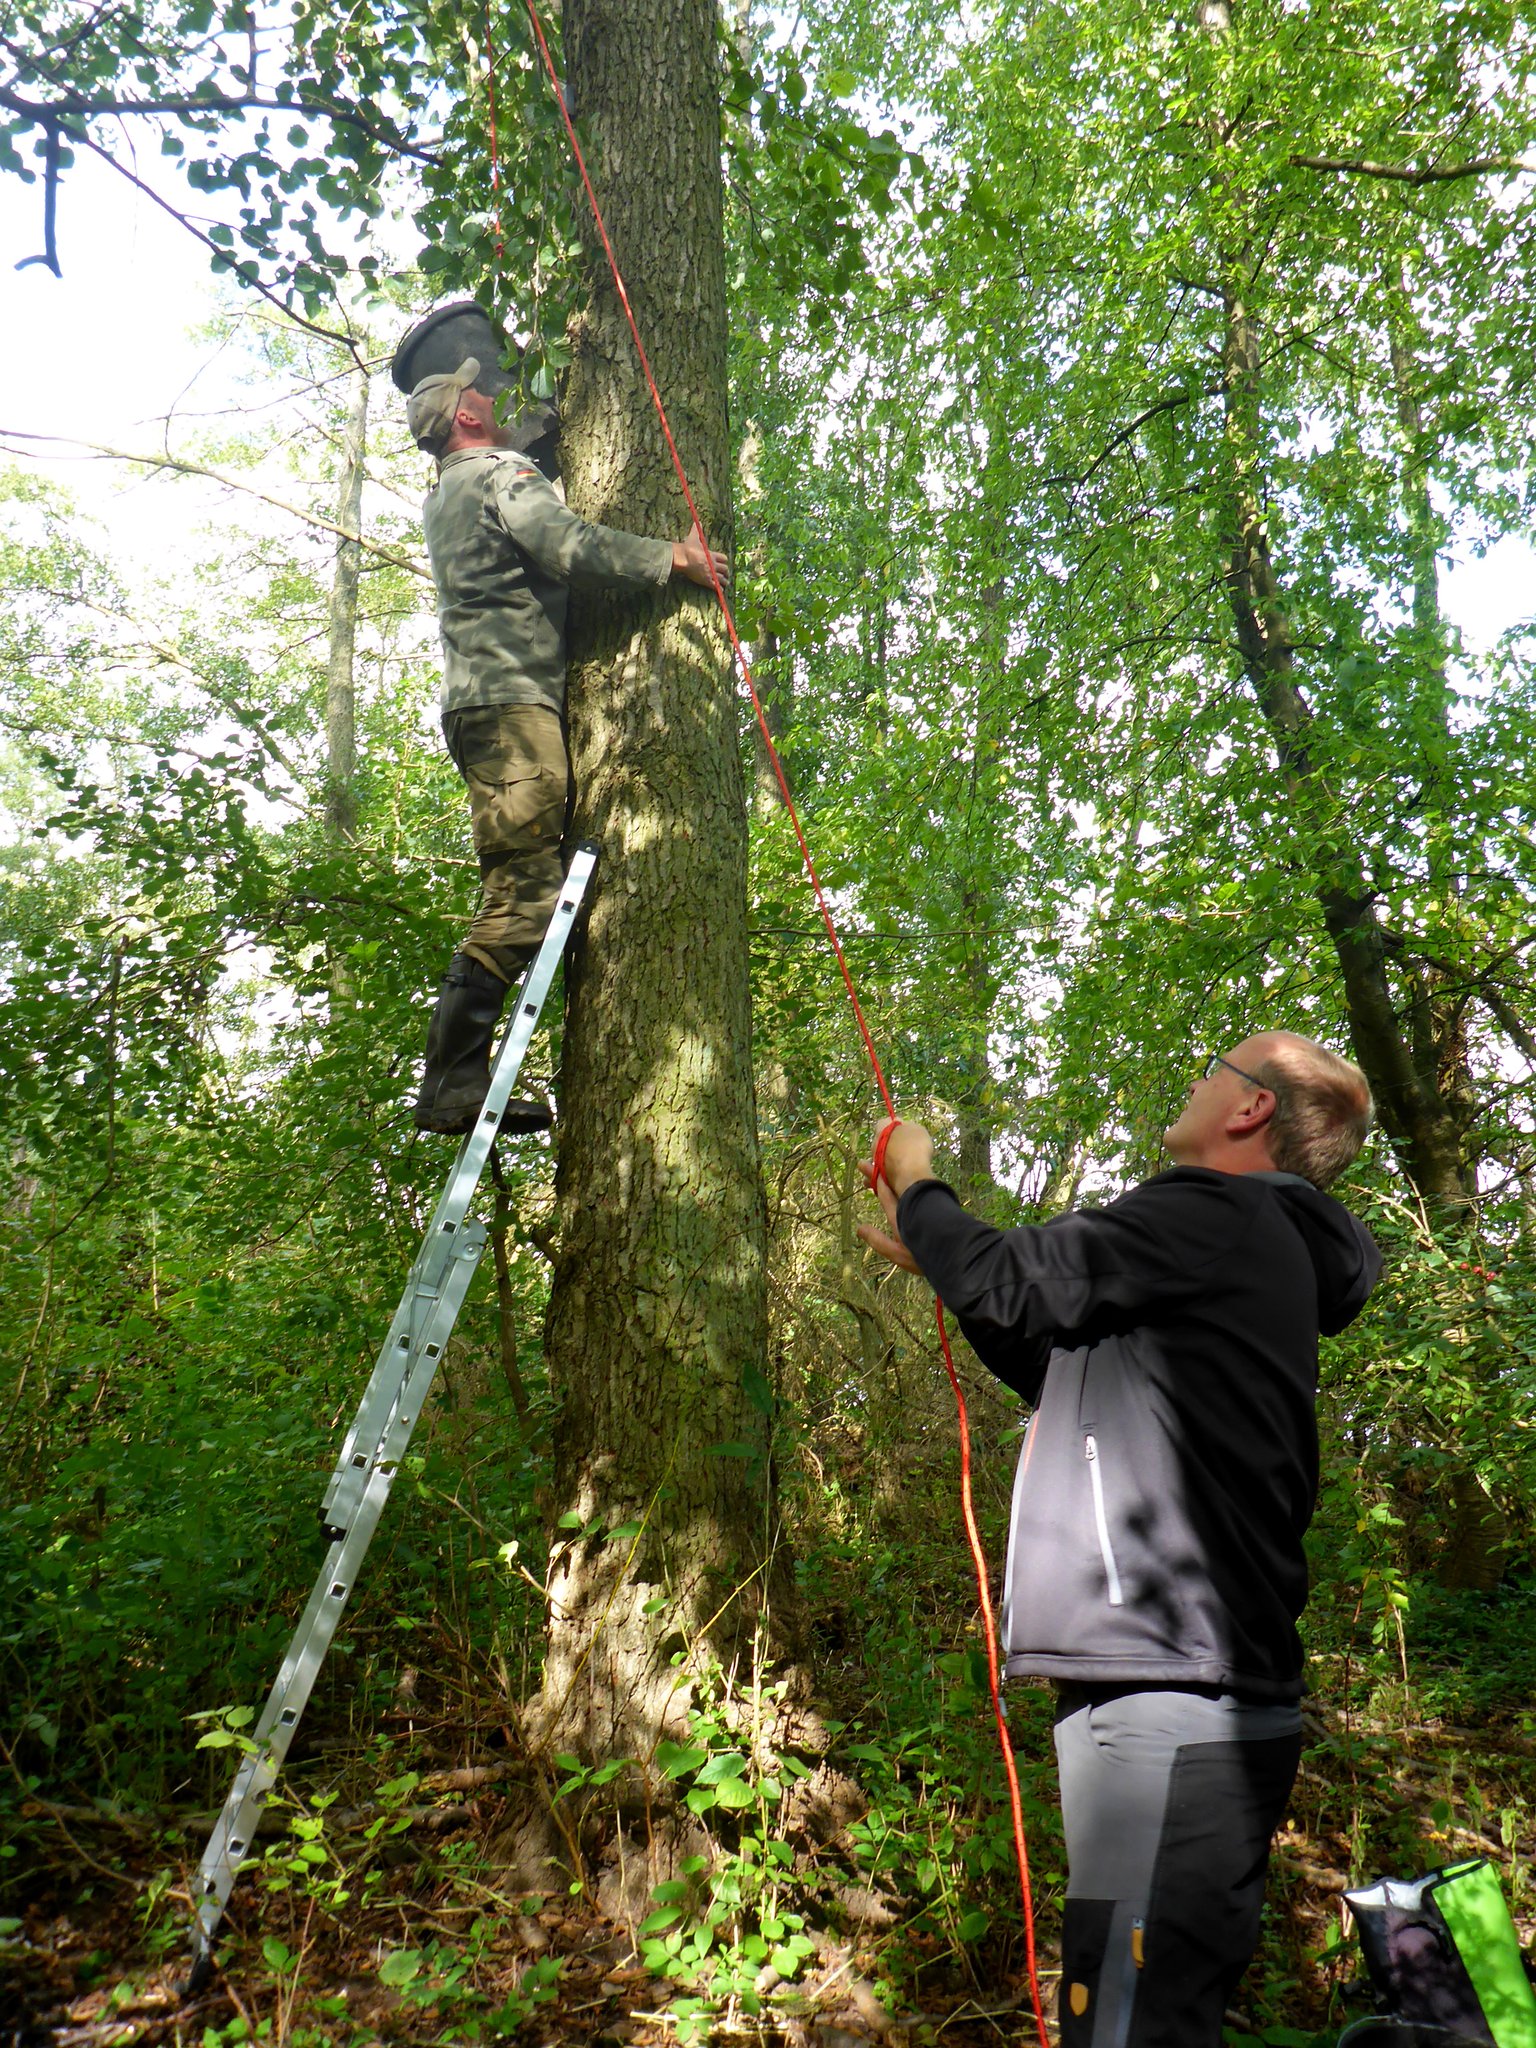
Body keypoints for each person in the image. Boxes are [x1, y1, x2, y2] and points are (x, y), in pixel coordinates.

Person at [857, 1034, 1382, 2047]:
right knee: (1120, 2002)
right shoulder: (1238, 1243)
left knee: (1138, 2022)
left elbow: (1014, 1276)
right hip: (1159, 1690)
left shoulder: (1221, 1211)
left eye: (1209, 1070)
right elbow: (1061, 1361)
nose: (1193, 1081)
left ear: (1249, 1110)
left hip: (1176, 1700)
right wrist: (951, 1265)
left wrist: (920, 1178)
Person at [403, 357, 728, 1135]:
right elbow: (564, 542)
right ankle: (451, 1082)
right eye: (481, 391)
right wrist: (669, 559)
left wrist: (547, 436)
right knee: (524, 895)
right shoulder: (495, 476)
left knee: (525, 882)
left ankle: (454, 1078)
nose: (492, 395)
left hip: (488, 705)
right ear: (466, 418)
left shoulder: (452, 488)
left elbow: (520, 501)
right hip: (511, 707)